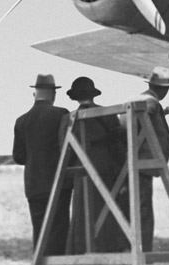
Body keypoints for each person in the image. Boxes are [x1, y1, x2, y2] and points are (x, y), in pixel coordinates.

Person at [63, 76, 126, 254]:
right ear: (93, 95)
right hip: (107, 168)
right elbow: (119, 145)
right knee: (107, 213)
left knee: (83, 215)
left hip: (82, 170)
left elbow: (65, 152)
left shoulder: (69, 119)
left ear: (75, 97)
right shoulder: (108, 114)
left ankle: (83, 252)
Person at [13, 74, 73, 256]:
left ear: (35, 93)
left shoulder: (21, 121)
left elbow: (18, 156)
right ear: (53, 94)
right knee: (59, 232)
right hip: (58, 183)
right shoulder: (61, 114)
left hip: (34, 186)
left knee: (40, 233)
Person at [127, 66, 169, 252]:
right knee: (144, 211)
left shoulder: (136, 99)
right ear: (164, 89)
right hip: (144, 164)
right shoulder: (152, 103)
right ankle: (145, 252)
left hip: (131, 162)